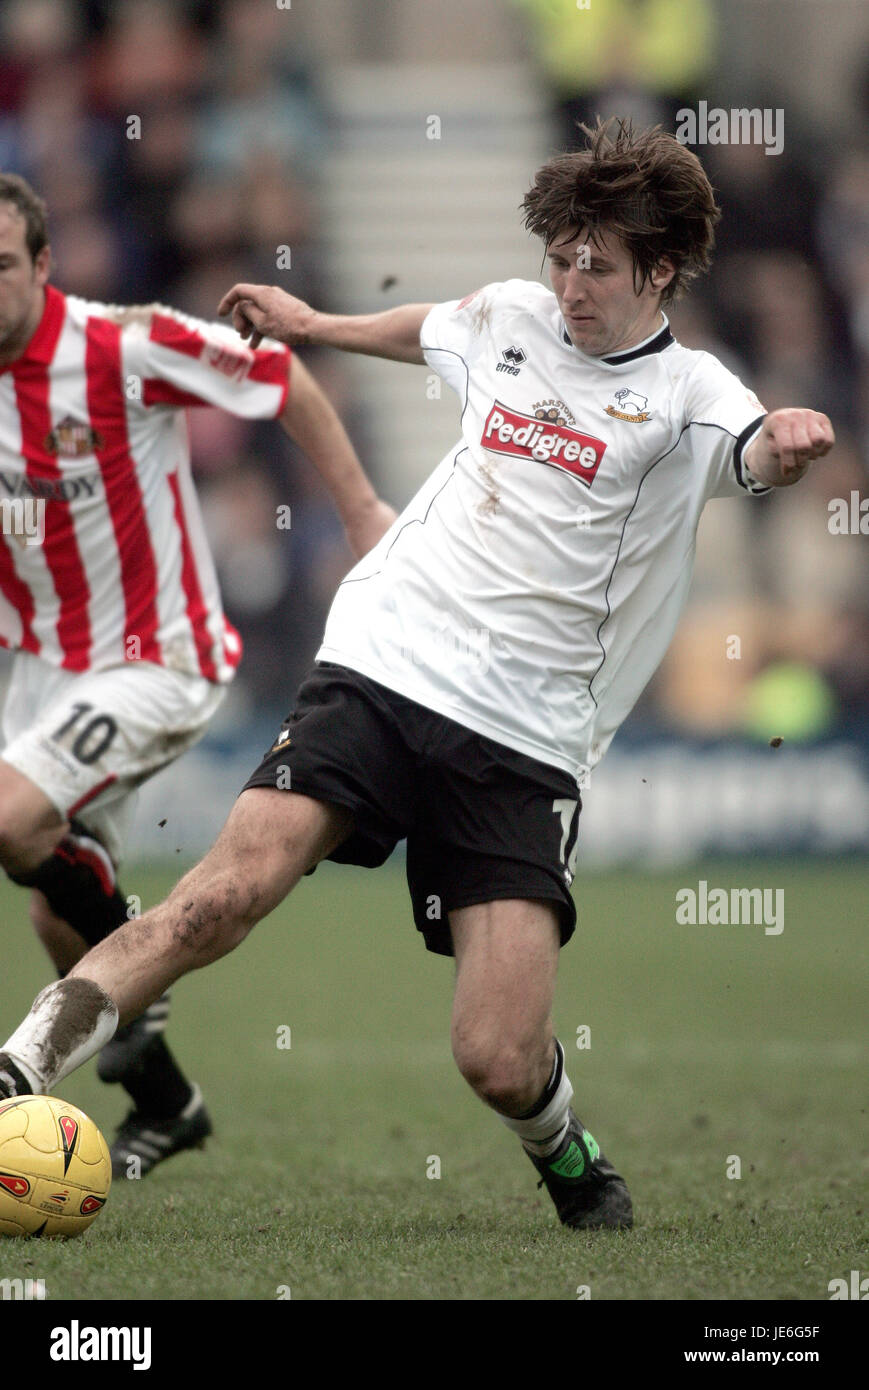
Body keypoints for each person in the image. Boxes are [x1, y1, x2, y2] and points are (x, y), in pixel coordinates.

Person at [0, 123, 834, 1229]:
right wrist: (313, 324)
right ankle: (16, 1075)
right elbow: (426, 328)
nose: (571, 287)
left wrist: (784, 441)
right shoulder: (511, 313)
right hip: (386, 657)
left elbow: (752, 451)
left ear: (660, 272)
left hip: (525, 733)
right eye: (561, 259)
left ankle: (568, 1153)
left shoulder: (688, 391)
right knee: (221, 896)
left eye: (598, 268)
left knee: (494, 1055)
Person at [0, 173, 393, 1179]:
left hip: (153, 654)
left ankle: (129, 945)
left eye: (1, 265)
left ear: (44, 267)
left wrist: (357, 516)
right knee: (54, 906)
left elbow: (277, 375)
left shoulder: (118, 345)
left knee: (11, 822)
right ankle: (170, 1103)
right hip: (37, 667)